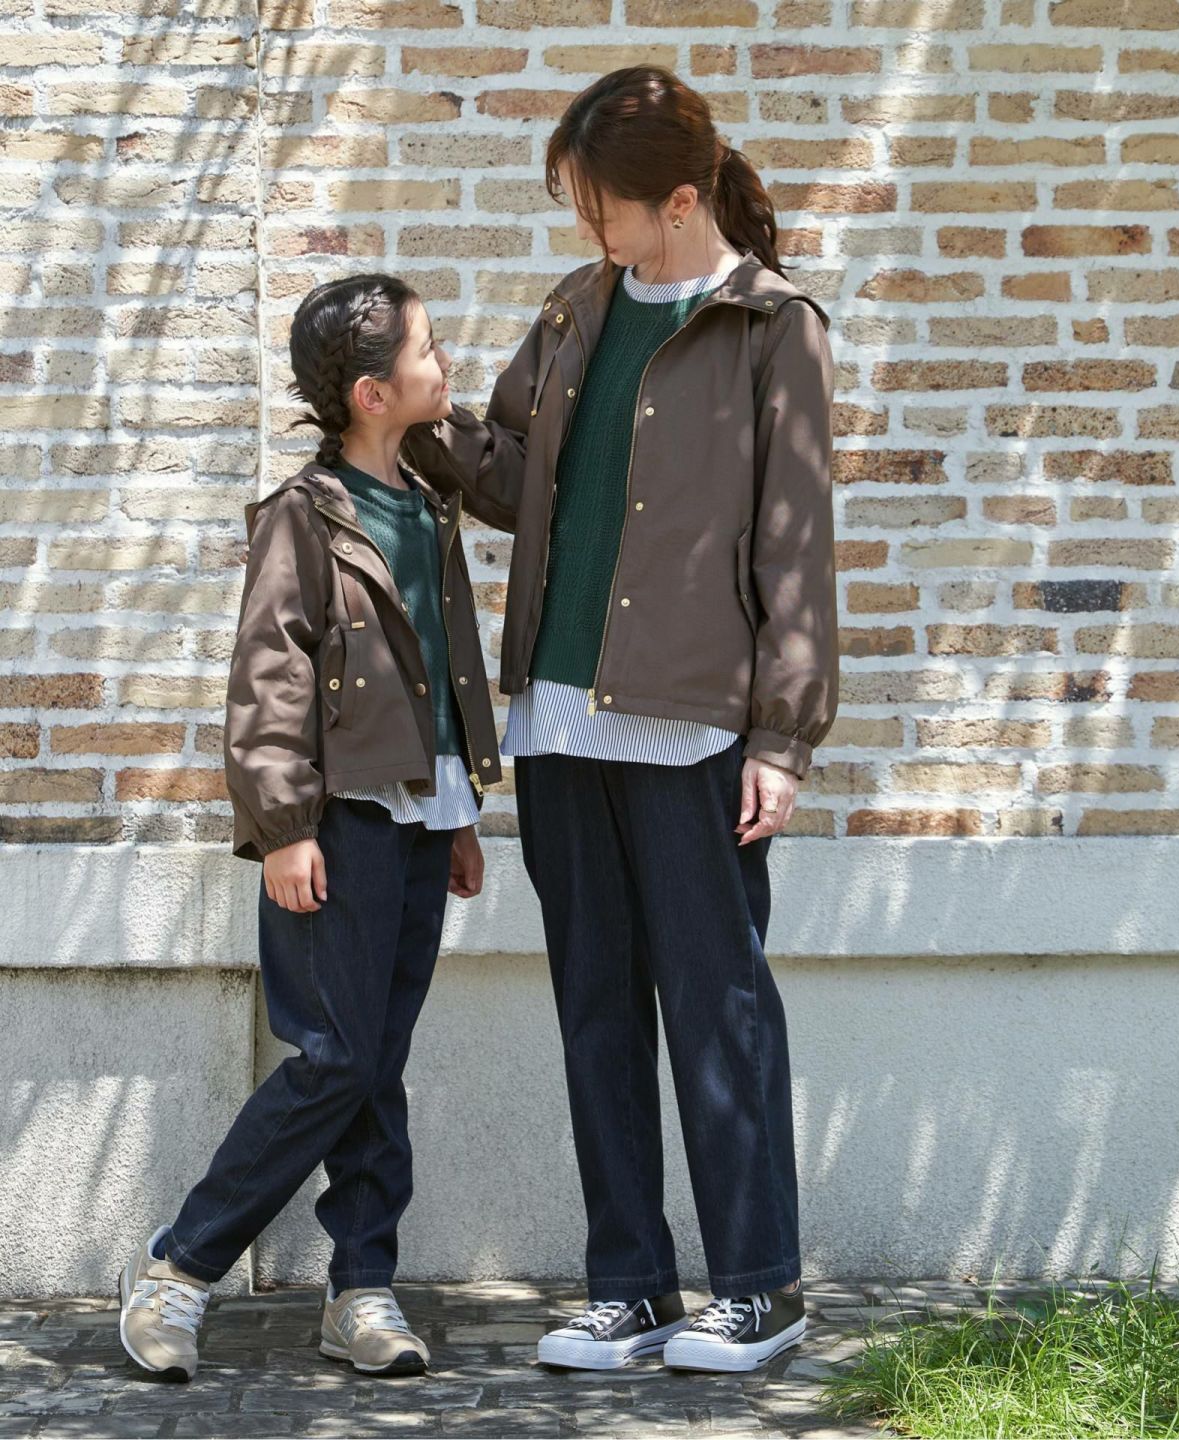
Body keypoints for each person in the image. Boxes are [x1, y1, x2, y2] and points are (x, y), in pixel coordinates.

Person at [401, 65, 838, 1374]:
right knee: (597, 1010)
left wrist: (783, 739)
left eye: (601, 206)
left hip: (695, 727)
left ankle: (757, 1288)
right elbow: (511, 480)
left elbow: (796, 545)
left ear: (681, 202)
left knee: (718, 1008)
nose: (587, 227)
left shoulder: (770, 328)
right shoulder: (576, 310)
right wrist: (419, 427)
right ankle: (631, 1286)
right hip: (558, 717)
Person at [116, 273, 502, 1381]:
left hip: (419, 817)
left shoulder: (426, 502)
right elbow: (270, 676)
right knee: (334, 1059)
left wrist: (456, 812)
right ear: (374, 394)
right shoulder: (306, 513)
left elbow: (437, 671)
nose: (445, 363)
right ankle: (181, 1268)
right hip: (336, 827)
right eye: (427, 350)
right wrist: (286, 827)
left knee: (377, 1063)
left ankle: (361, 1288)